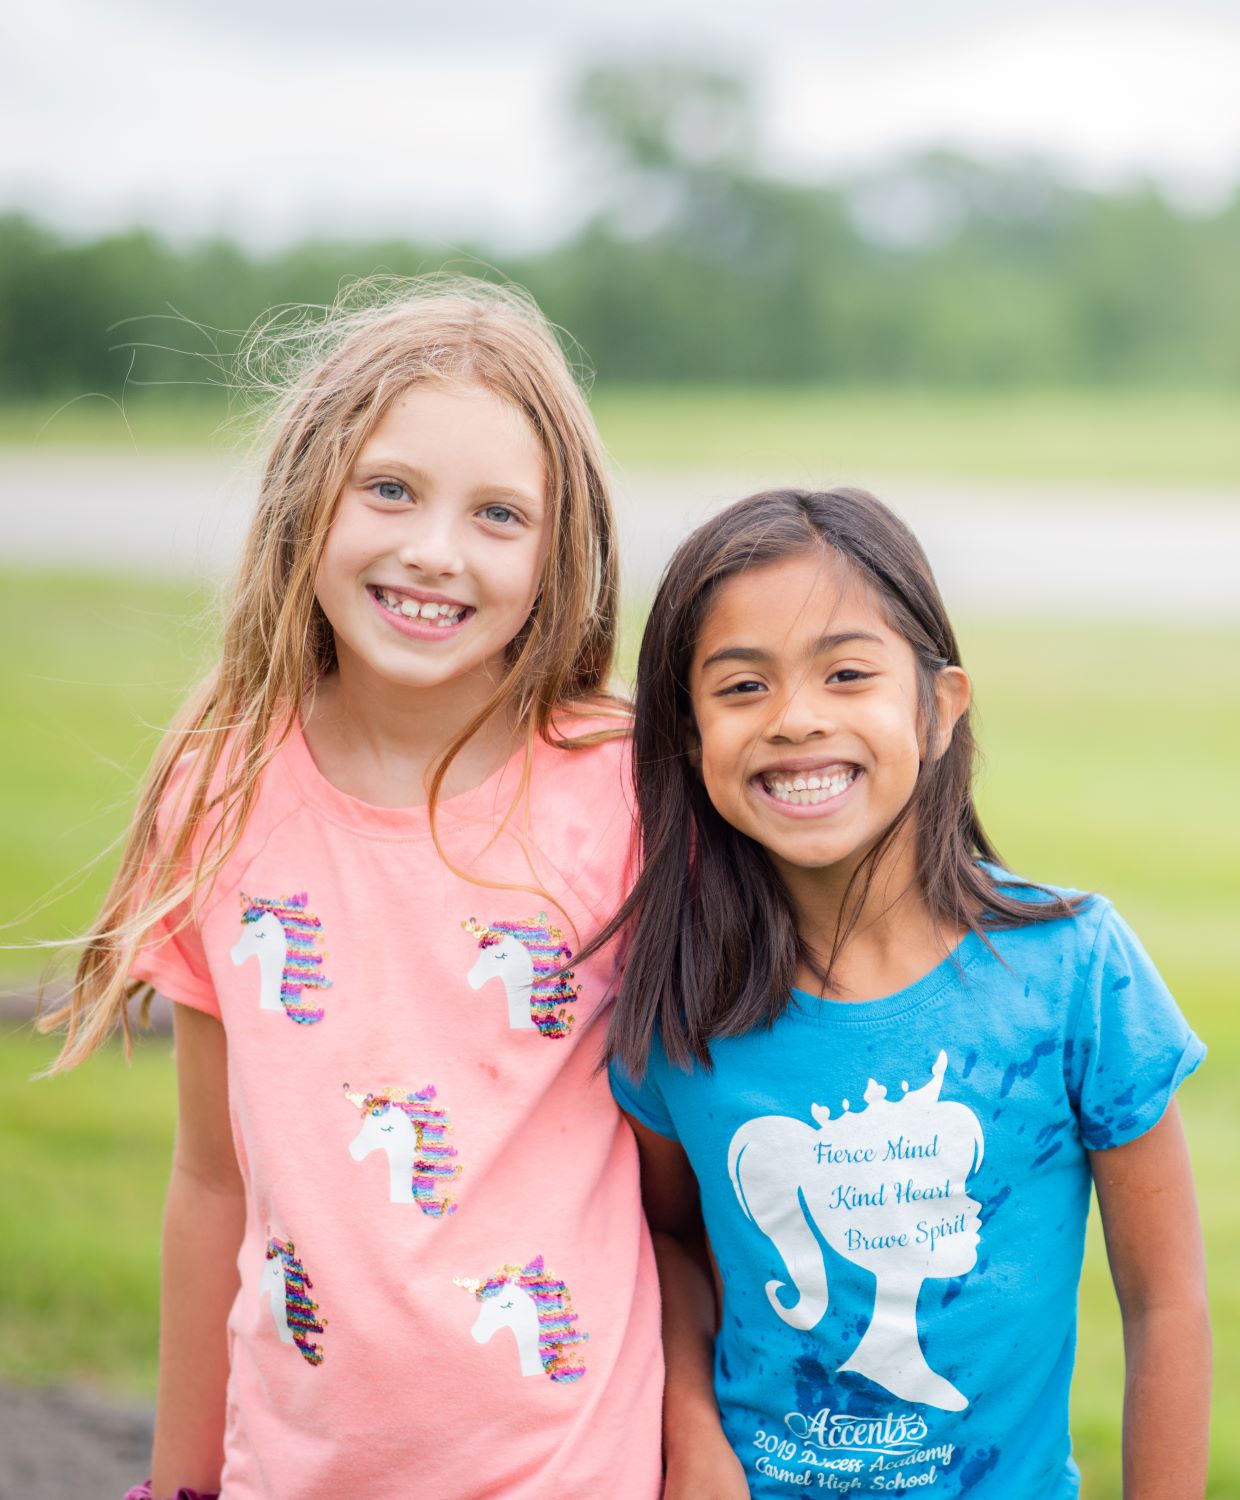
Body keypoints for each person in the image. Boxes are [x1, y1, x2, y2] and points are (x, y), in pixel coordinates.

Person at [40, 280, 663, 1500]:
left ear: (559, 553)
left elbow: (680, 1174)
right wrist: (179, 1483)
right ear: (305, 500)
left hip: (570, 1465)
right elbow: (212, 1178)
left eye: (498, 514)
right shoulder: (217, 786)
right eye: (390, 489)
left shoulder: (621, 787)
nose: (434, 550)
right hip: (295, 1467)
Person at [605, 487, 1211, 1498]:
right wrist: (691, 1430)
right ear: (686, 733)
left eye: (846, 674)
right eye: (741, 687)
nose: (796, 719)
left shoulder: (1074, 973)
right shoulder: (678, 1003)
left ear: (937, 709)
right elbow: (667, 1237)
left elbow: (1166, 1305)